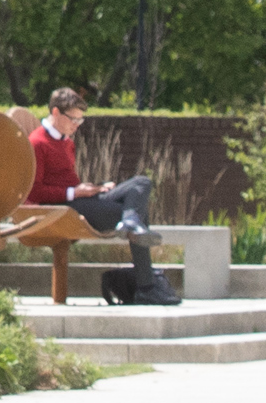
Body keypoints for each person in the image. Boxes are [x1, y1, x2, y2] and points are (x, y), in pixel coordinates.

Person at [25, 84, 168, 296]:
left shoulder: (66, 142)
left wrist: (97, 187)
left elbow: (68, 181)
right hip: (63, 209)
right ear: (55, 112)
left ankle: (130, 224)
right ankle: (146, 285)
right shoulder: (37, 143)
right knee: (138, 212)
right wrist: (74, 193)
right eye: (73, 119)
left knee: (142, 183)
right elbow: (35, 192)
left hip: (79, 199)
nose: (76, 125)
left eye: (79, 120)